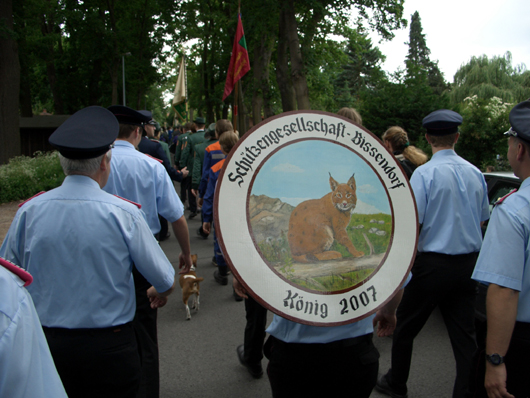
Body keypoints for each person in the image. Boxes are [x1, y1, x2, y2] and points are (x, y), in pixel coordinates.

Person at [0, 106, 177, 398]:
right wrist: (159, 291)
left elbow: (8, 277)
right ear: (105, 163)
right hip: (111, 348)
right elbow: (166, 280)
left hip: (47, 344)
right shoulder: (124, 215)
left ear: (62, 163)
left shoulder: (29, 212)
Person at [377, 109, 490, 398]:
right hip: (468, 265)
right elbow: (481, 220)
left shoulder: (424, 174)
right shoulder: (475, 172)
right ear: (457, 136)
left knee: (406, 329)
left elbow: (413, 225)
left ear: (428, 137)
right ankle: (465, 392)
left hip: (432, 266)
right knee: (465, 338)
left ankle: (396, 382)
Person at [105, 105, 193, 398]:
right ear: (138, 132)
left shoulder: (97, 163)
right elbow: (176, 216)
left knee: (108, 328)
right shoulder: (151, 165)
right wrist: (185, 253)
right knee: (145, 333)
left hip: (105, 255)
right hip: (142, 258)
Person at [469, 100, 530, 398]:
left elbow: (504, 291)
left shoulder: (515, 210)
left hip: (521, 344)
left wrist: (495, 360)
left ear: (519, 150)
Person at [0, 257, 67, 398]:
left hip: (40, 329)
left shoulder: (6, 291)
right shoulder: (6, 291)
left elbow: (12, 255)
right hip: (110, 339)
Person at [202, 130, 239, 286]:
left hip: (222, 213)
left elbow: (210, 196)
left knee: (220, 241)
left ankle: (223, 272)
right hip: (238, 213)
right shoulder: (244, 166)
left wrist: (206, 218)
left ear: (222, 148)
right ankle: (240, 280)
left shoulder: (217, 168)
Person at [192, 123, 217, 239]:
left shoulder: (201, 147)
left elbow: (199, 169)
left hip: (208, 182)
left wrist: (196, 186)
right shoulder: (227, 146)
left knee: (207, 202)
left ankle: (205, 227)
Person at [181, 116, 207, 219]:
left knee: (191, 187)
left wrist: (183, 165)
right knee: (204, 187)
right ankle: (203, 205)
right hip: (206, 164)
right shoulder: (207, 136)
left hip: (193, 165)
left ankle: (193, 208)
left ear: (195, 126)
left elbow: (186, 152)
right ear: (204, 126)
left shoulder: (191, 137)